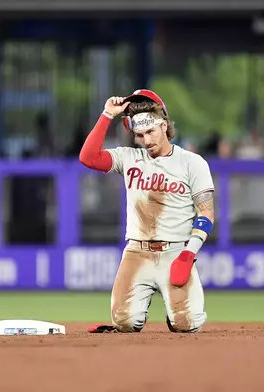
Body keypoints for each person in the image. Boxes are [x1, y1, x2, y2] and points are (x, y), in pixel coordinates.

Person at [79, 89, 215, 333]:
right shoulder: (129, 157)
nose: (147, 140)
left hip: (175, 250)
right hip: (136, 251)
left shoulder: (192, 163)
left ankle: (176, 316)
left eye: (151, 131)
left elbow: (206, 215)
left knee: (188, 324)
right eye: (139, 135)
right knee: (125, 322)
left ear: (164, 124)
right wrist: (107, 115)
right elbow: (88, 158)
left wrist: (188, 254)